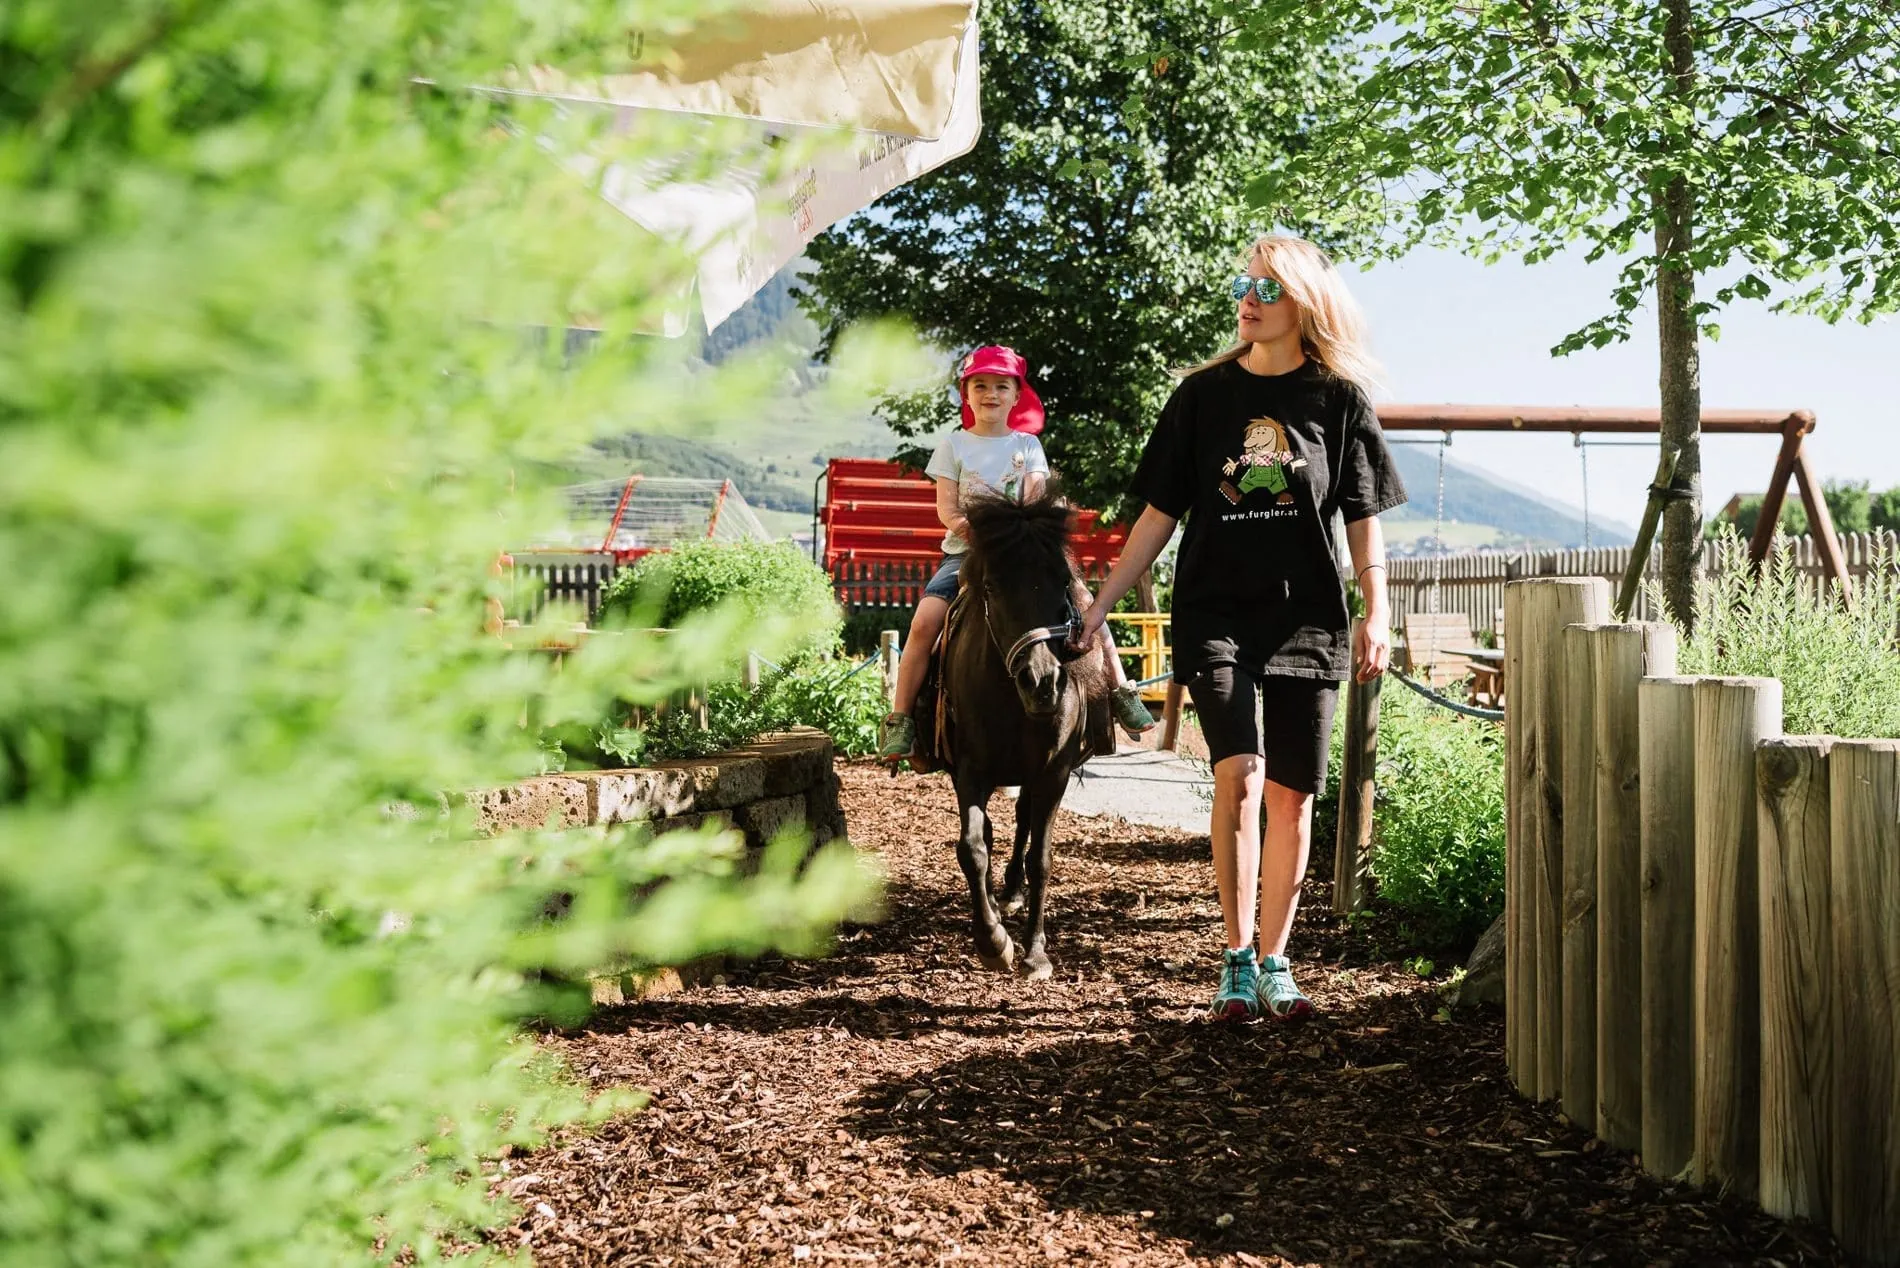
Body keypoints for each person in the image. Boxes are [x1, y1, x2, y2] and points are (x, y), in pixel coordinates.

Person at [1075, 234, 1406, 1022]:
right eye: (1243, 285)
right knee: (1242, 774)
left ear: (1305, 305)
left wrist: (1377, 610)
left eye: (1266, 288)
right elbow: (1160, 515)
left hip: (1308, 619)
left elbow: (1362, 520)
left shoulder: (1339, 400)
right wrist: (1101, 604)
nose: (1247, 300)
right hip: (1216, 612)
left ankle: (1276, 960)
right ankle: (1234, 958)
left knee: (1292, 797)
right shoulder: (1202, 397)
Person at [877, 345, 1157, 762]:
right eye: (981, 385)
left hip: (1026, 556)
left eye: (1001, 386)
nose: (991, 394)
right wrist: (972, 531)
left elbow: (1035, 497)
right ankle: (902, 718)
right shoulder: (952, 446)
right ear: (966, 394)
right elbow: (946, 508)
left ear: (1015, 395)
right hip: (967, 554)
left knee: (1086, 602)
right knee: (924, 622)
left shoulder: (1027, 445)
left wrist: (1020, 535)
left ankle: (1118, 690)